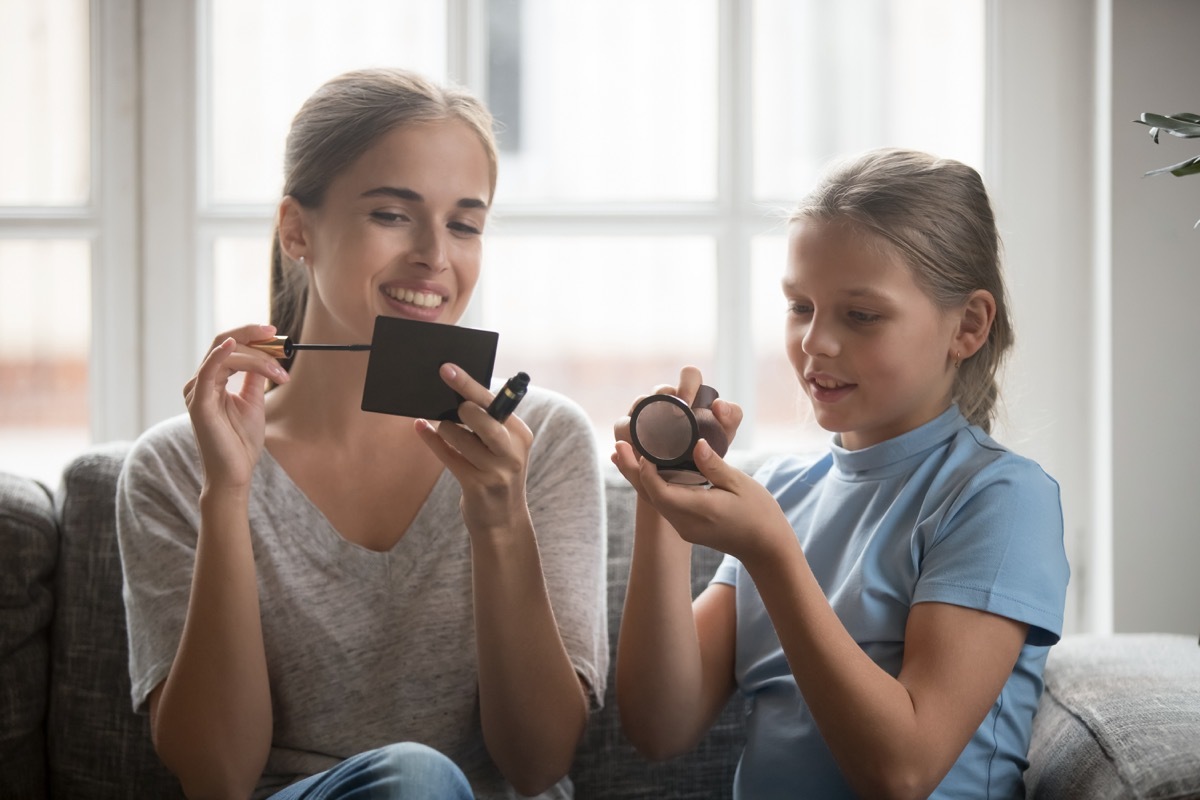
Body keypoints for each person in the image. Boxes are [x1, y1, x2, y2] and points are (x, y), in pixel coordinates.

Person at [115, 68, 607, 800]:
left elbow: (537, 765)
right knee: (414, 779)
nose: (436, 256)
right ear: (296, 231)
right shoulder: (176, 464)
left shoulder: (545, 444)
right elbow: (217, 776)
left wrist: (501, 521)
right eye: (392, 214)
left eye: (465, 224)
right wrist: (227, 495)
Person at [612, 148, 1070, 799]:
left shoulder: (999, 500)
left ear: (967, 326)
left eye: (861, 315)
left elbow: (902, 773)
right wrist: (660, 501)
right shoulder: (786, 491)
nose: (815, 342)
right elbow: (660, 727)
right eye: (801, 306)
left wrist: (773, 554)